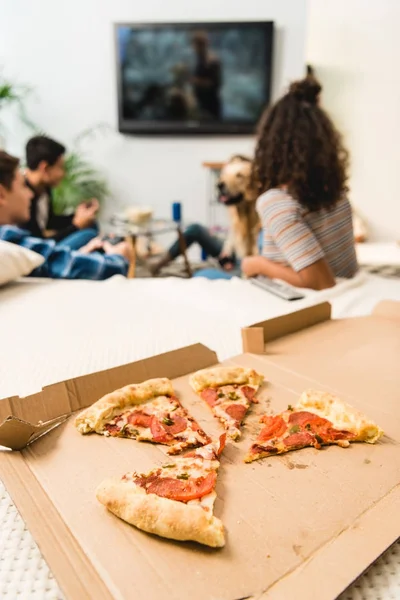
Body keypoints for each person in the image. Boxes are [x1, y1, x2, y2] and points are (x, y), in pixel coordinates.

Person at [241, 75, 358, 290]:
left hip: (294, 302)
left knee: (207, 272)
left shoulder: (277, 202)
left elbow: (322, 282)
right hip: (347, 288)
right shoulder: (335, 191)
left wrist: (257, 264)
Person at [0, 151, 132, 280]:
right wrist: (118, 258)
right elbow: (38, 252)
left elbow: (49, 225)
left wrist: (77, 216)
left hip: (48, 249)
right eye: (23, 186)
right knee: (89, 235)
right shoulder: (6, 236)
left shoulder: (45, 191)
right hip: (49, 245)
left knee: (91, 228)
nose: (30, 194)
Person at [24, 135, 99, 250]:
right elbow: (38, 245)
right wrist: (76, 226)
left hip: (43, 244)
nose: (63, 174)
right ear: (45, 168)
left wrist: (79, 215)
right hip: (37, 252)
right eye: (60, 168)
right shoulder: (24, 196)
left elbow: (49, 221)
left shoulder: (44, 188)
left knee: (91, 224)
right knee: (89, 235)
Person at [149, 224, 236, 277]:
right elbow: (236, 231)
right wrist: (227, 250)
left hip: (241, 258)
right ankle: (161, 262)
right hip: (232, 248)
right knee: (195, 229)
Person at [191, 31, 222, 119]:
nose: (194, 48)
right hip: (201, 103)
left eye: (196, 45)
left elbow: (215, 84)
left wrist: (195, 81)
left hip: (210, 105)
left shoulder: (212, 61)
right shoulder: (199, 59)